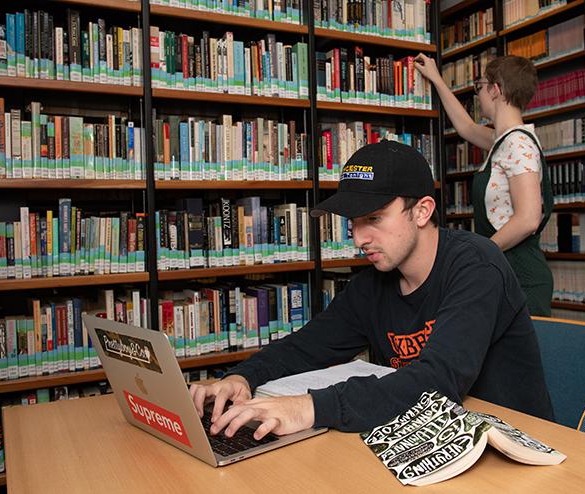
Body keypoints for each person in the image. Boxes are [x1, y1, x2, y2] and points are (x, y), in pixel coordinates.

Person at [190, 140, 554, 442]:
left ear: (423, 211)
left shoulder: (476, 266)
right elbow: (306, 346)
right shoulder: (373, 283)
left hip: (510, 446)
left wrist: (310, 407)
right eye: (353, 223)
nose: (359, 238)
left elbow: (437, 381)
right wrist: (242, 377)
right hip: (426, 440)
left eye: (375, 219)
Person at [415, 54, 554, 316]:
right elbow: (466, 128)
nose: (478, 95)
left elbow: (528, 219)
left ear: (495, 89)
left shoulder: (517, 144)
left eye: (479, 87)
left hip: (522, 276)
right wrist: (436, 79)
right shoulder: (503, 141)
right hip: (506, 269)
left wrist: (479, 253)